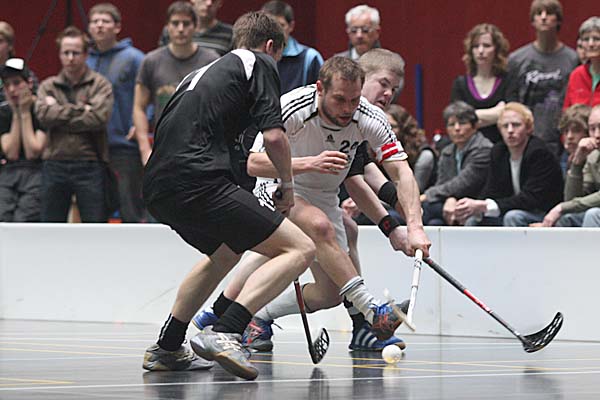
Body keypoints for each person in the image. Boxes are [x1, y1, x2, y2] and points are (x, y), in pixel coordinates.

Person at [193, 55, 430, 353]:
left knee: (330, 294)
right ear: (320, 88)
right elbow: (253, 164)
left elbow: (401, 173)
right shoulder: (293, 106)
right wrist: (309, 164)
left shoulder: (370, 117)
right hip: (280, 185)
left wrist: (414, 227)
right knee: (319, 227)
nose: (347, 109)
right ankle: (371, 313)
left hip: (324, 197)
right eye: (339, 99)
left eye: (353, 100)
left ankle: (256, 315)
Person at [141, 11, 315, 381]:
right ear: (271, 46)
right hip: (199, 179)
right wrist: (287, 187)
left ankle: (167, 347)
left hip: (158, 186)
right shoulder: (259, 62)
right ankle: (227, 330)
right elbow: (274, 137)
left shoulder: (202, 76)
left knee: (225, 253)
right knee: (300, 248)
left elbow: (238, 158)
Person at [35, 26, 113, 222]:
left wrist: (58, 109)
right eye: (66, 53)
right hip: (54, 163)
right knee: (50, 226)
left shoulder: (100, 84)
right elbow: (43, 116)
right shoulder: (48, 86)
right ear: (60, 54)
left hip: (90, 162)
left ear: (86, 54)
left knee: (95, 225)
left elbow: (98, 118)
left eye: (76, 53)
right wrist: (81, 109)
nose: (70, 58)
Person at [133, 1, 220, 166]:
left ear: (196, 26)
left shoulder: (212, 61)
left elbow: (219, 106)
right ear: (167, 27)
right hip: (163, 147)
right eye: (175, 23)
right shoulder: (151, 61)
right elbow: (139, 107)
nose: (180, 29)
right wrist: (145, 150)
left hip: (202, 148)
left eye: (186, 24)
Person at [454, 102, 563, 226]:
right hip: (512, 208)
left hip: (543, 212)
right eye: (505, 126)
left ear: (528, 128)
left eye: (516, 125)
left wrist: (485, 206)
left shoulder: (539, 152)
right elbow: (492, 190)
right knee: (474, 218)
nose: (510, 130)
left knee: (513, 217)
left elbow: (531, 198)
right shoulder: (499, 151)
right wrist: (475, 206)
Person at [87, 3, 146, 222]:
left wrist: (141, 123)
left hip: (124, 145)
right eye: (95, 21)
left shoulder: (134, 58)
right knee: (95, 210)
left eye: (105, 21)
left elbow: (147, 94)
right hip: (92, 147)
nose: (99, 25)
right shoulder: (85, 60)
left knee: (130, 207)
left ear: (117, 27)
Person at [507, 0, 579, 157]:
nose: (544, 17)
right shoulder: (517, 60)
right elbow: (511, 101)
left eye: (549, 13)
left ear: (558, 20)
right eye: (539, 13)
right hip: (525, 138)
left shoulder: (573, 59)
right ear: (532, 20)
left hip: (561, 139)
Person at [420, 101, 493, 225]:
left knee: (426, 207)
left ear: (475, 126)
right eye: (451, 124)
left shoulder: (484, 149)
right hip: (453, 201)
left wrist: (426, 195)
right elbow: (442, 183)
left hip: (476, 203)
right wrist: (450, 199)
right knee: (434, 222)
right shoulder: (447, 151)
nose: (457, 128)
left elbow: (464, 183)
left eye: (462, 123)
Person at [534, 104, 600, 227]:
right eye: (592, 129)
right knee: (566, 218)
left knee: (593, 214)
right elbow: (572, 200)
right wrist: (577, 163)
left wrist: (562, 208)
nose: (597, 135)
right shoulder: (594, 158)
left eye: (576, 130)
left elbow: (570, 205)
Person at [451, 23, 515, 144]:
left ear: (496, 49)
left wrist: (472, 117)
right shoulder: (460, 84)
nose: (480, 51)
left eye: (486, 46)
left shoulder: (508, 80)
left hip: (502, 146)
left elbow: (512, 116)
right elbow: (458, 121)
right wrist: (497, 112)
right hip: (471, 147)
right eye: (476, 46)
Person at [0, 58, 47, 221]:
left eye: (17, 83)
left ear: (29, 83)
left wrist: (25, 112)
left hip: (37, 172)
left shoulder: (41, 109)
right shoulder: (4, 112)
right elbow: (11, 153)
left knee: (24, 220)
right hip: (9, 172)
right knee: (2, 217)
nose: (12, 90)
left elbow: (33, 151)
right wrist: (16, 113)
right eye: (7, 85)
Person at [261, 0, 323, 94]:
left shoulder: (310, 58)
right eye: (269, 26)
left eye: (280, 25)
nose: (274, 31)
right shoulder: (255, 56)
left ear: (291, 26)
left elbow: (322, 94)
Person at [158, 0, 233, 56]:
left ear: (220, 2)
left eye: (214, 0)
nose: (209, 3)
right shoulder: (171, 30)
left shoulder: (230, 34)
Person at [563, 17, 600, 109]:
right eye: (586, 39)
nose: (590, 44)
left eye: (596, 39)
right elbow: (567, 112)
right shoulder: (577, 75)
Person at [558, 104, 591, 174]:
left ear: (589, 132)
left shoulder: (594, 162)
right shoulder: (566, 159)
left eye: (576, 131)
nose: (569, 136)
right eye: (566, 131)